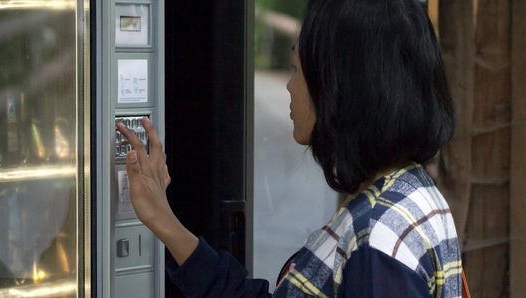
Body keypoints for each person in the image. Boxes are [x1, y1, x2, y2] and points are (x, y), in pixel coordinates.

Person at [116, 0, 461, 296]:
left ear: (341, 88)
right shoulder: (409, 192)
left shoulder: (379, 240)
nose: (288, 86)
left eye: (297, 69)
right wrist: (163, 219)